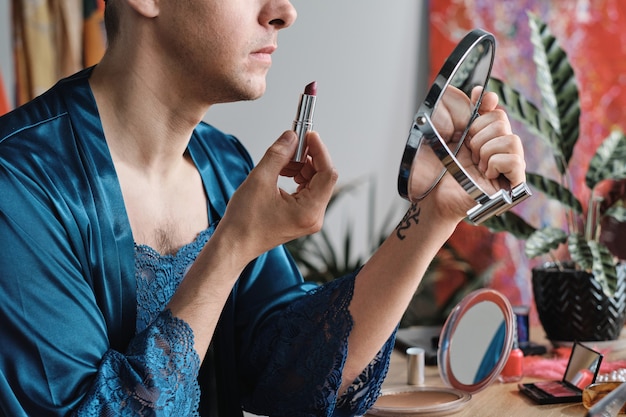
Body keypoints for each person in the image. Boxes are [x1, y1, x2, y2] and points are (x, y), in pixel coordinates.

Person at [0, 0, 526, 416]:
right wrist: (231, 246)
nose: (284, 11)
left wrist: (436, 213)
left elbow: (295, 369)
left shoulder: (224, 164)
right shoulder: (20, 184)